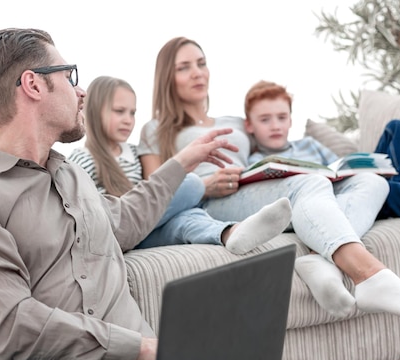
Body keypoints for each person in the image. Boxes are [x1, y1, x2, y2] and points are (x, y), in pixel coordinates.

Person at [0, 28, 273, 360]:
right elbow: (11, 324)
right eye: (69, 76)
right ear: (33, 85)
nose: (81, 92)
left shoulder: (74, 178)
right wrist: (143, 347)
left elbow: (126, 219)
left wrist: (181, 163)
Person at [137, 36, 400, 324]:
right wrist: (204, 185)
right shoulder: (156, 129)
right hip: (212, 201)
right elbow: (156, 196)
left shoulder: (235, 121)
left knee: (372, 183)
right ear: (168, 78)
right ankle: (371, 276)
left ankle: (320, 262)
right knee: (309, 184)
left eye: (201, 63)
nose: (197, 73)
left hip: (250, 191)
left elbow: (277, 152)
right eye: (184, 68)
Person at [242, 80, 400, 317]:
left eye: (281, 117)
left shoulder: (309, 145)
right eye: (265, 119)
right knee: (393, 190)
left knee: (398, 129)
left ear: (290, 120)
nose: (275, 125)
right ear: (249, 125)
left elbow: (335, 167)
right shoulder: (254, 162)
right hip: (332, 208)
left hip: (356, 193)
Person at [67, 75, 291, 253]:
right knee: (191, 183)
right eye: (119, 111)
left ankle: (232, 233)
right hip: (117, 230)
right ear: (94, 111)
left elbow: (153, 195)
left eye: (133, 113)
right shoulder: (82, 159)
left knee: (186, 220)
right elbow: (91, 214)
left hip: (147, 230)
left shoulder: (135, 154)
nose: (128, 119)